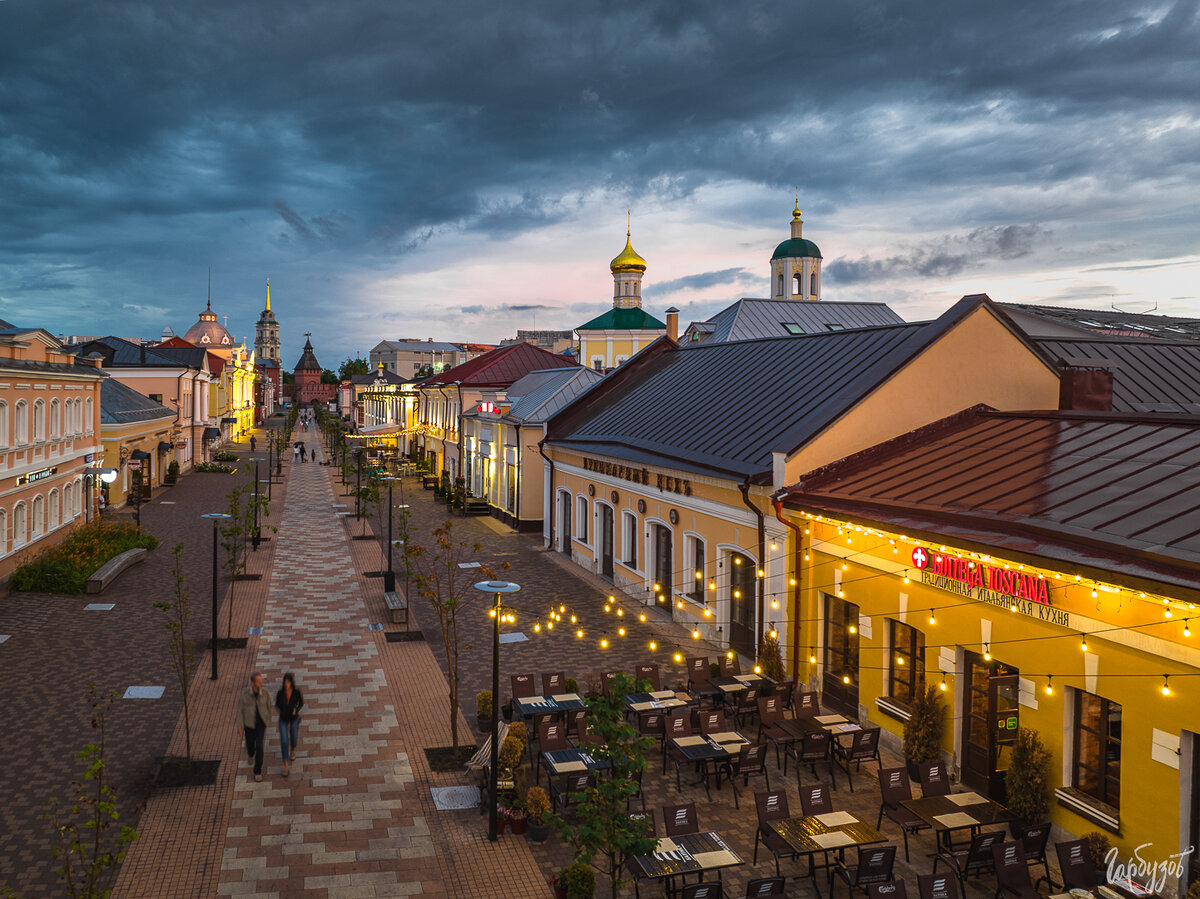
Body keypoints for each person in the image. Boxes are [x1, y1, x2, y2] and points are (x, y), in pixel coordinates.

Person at [237, 672, 272, 781]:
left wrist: (266, 718)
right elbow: (240, 710)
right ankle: (250, 754)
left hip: (261, 724)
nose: (260, 683)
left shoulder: (265, 693)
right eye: (258, 681)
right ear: (252, 682)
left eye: (261, 681)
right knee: (250, 744)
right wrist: (240, 725)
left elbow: (269, 706)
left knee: (260, 746)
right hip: (249, 724)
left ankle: (257, 771)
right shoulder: (245, 694)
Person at [275, 672, 304, 777]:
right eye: (285, 682)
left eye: (288, 682)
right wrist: (282, 711)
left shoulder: (296, 693)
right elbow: (277, 704)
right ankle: (286, 765)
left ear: (291, 682)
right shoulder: (280, 693)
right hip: (283, 719)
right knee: (284, 740)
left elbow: (301, 703)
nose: (286, 684)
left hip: (294, 719)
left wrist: (296, 709)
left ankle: (293, 749)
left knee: (294, 737)